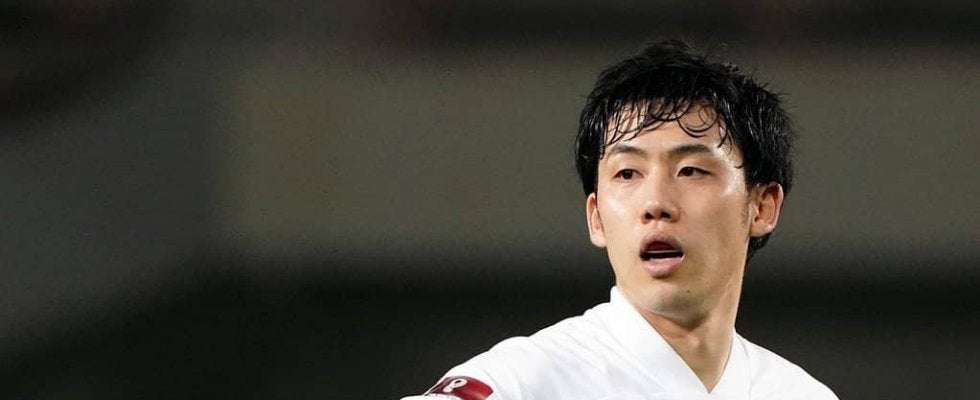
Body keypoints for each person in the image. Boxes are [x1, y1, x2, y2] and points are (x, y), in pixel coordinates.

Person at [401, 40, 838, 400]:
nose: (656, 203)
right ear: (596, 218)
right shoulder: (523, 382)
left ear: (762, 206)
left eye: (691, 171)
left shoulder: (801, 394)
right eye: (627, 173)